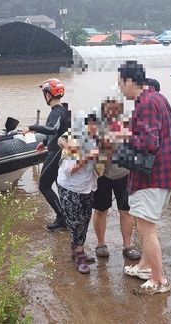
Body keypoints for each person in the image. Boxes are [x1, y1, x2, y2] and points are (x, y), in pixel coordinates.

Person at [117, 61, 171, 294]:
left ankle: (159, 280)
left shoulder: (145, 103)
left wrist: (123, 137)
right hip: (162, 173)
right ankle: (144, 267)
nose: (120, 88)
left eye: (121, 83)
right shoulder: (158, 98)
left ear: (130, 81)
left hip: (150, 177)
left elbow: (149, 143)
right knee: (146, 223)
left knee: (146, 228)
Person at [92, 97, 141, 260]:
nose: (112, 113)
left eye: (115, 110)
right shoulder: (95, 127)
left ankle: (127, 246)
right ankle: (101, 244)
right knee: (100, 210)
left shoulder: (126, 126)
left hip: (124, 174)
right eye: (108, 109)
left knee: (126, 211)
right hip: (102, 174)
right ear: (103, 111)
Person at [21, 78, 71, 231]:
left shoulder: (56, 112)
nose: (44, 95)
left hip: (56, 152)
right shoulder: (64, 110)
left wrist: (31, 127)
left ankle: (62, 216)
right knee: (58, 183)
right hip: (61, 151)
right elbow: (60, 130)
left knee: (44, 185)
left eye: (44, 92)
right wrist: (44, 142)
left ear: (49, 94)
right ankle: (66, 214)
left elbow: (51, 129)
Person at [57, 112, 101, 274]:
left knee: (85, 218)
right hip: (69, 186)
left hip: (87, 186)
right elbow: (69, 170)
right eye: (91, 125)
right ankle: (79, 253)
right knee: (74, 221)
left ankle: (77, 249)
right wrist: (86, 157)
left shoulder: (99, 141)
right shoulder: (75, 141)